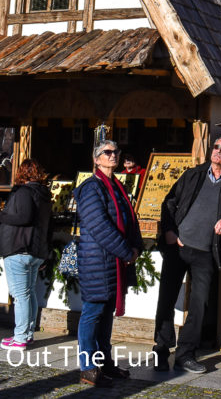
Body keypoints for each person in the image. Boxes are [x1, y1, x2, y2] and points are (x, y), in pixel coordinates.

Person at [153, 136, 221, 373]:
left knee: (200, 303)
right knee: (166, 299)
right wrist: (170, 232)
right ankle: (161, 350)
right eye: (216, 147)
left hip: (206, 250)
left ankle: (185, 354)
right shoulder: (193, 174)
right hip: (178, 247)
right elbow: (169, 202)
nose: (219, 151)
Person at [75, 140, 144, 387]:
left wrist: (135, 246)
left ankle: (104, 362)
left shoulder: (117, 186)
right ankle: (88, 367)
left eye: (116, 152)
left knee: (106, 315)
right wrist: (127, 252)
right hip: (97, 261)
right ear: (96, 159)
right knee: (92, 313)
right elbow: (100, 227)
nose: (113, 155)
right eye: (107, 152)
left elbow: (130, 219)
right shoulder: (91, 188)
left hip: (113, 261)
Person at [0, 158, 51, 350]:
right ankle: (28, 333)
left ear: (22, 173)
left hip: (19, 248)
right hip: (35, 250)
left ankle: (20, 337)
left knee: (21, 295)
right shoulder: (44, 194)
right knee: (29, 293)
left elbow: (24, 217)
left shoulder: (24, 192)